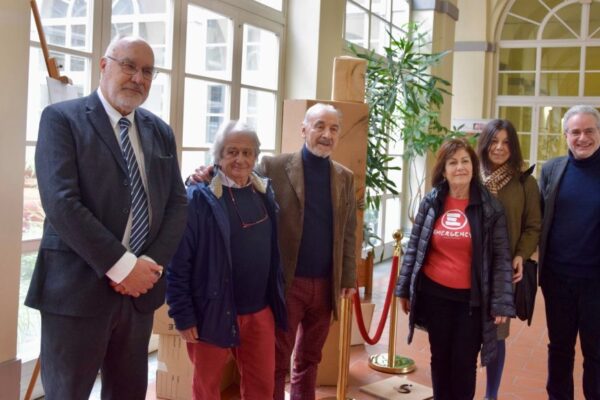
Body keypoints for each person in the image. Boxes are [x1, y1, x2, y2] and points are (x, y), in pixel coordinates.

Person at [25, 36, 188, 400]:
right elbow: (62, 203)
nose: (138, 78)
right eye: (129, 65)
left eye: (147, 71)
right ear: (104, 65)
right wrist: (122, 266)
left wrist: (147, 266)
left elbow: (178, 204)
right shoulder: (61, 119)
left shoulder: (160, 131)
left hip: (139, 293)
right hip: (75, 291)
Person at [188, 103, 357, 400]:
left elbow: (349, 230)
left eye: (333, 128)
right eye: (319, 126)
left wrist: (347, 276)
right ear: (303, 129)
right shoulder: (274, 166)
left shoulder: (345, 176)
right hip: (287, 283)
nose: (326, 134)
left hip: (326, 283)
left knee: (310, 358)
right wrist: (203, 172)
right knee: (276, 362)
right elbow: (235, 170)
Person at [167, 121, 287, 399]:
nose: (240, 159)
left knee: (262, 388)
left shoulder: (264, 192)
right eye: (232, 152)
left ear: (255, 157)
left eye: (247, 152)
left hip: (260, 311)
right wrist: (182, 315)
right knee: (206, 389)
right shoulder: (198, 198)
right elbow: (178, 263)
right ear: (218, 156)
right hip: (211, 312)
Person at [395, 138, 515, 400]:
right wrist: (404, 288)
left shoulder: (490, 207)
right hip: (435, 294)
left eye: (465, 161)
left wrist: (501, 303)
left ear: (473, 166)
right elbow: (415, 247)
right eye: (453, 162)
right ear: (444, 170)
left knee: (464, 362)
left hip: (471, 300)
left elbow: (501, 257)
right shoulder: (432, 201)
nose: (460, 167)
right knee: (439, 358)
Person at [477, 119, 542, 400]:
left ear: (513, 146)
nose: (499, 148)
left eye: (506, 142)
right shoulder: (471, 176)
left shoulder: (525, 182)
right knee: (465, 334)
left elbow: (533, 227)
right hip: (467, 269)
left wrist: (520, 255)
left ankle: (491, 395)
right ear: (485, 144)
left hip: (503, 272)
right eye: (494, 141)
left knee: (496, 334)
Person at [539, 105, 600, 400]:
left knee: (596, 353)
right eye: (575, 132)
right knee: (560, 349)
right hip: (557, 280)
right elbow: (537, 219)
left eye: (589, 131)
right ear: (565, 135)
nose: (582, 138)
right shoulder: (552, 170)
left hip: (596, 283)